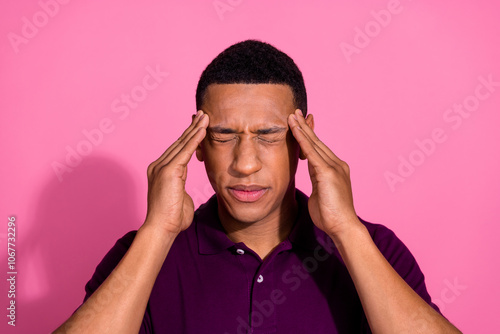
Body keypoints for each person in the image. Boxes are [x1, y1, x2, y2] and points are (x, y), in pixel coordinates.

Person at [54, 40, 461, 333]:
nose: (245, 164)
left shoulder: (375, 248)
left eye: (267, 134)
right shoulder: (138, 255)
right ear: (196, 143)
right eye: (223, 135)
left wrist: (345, 231)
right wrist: (157, 234)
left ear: (304, 139)